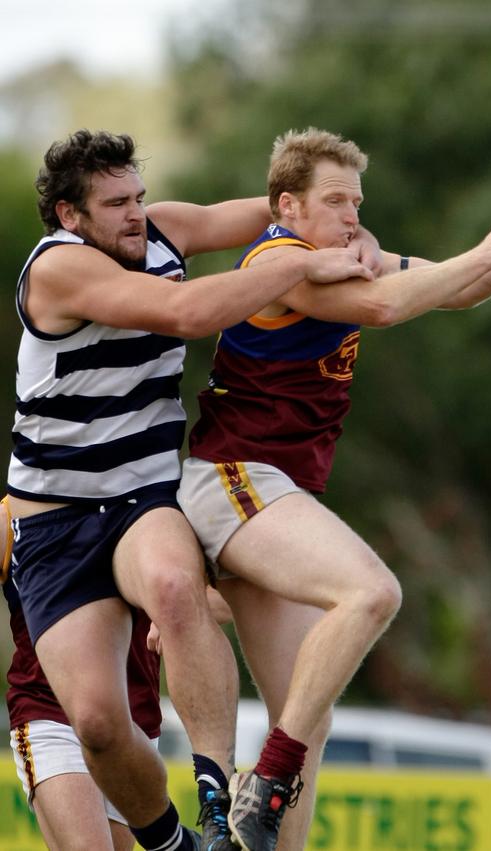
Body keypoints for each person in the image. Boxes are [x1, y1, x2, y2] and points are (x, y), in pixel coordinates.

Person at [179, 127, 491, 851]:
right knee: (372, 591)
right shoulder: (281, 259)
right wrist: (482, 249)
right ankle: (263, 780)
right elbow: (387, 307)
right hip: (231, 477)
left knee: (308, 721)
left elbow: (452, 287)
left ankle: (264, 817)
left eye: (356, 201)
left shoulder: (342, 257)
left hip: (273, 493)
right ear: (287, 205)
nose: (351, 214)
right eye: (334, 200)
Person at [6, 129, 375, 851]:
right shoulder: (58, 270)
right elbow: (189, 313)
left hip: (143, 498)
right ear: (68, 216)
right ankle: (171, 841)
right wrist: (307, 260)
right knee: (99, 726)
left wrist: (353, 237)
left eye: (138, 195)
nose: (136, 213)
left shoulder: (166, 228)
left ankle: (217, 801)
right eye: (114, 204)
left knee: (175, 585)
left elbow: (289, 214)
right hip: (56, 520)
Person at [2, 495, 161, 851]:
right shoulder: (13, 514)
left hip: (133, 726)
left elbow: (221, 600)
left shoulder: (151, 507)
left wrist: (178, 613)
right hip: (51, 715)